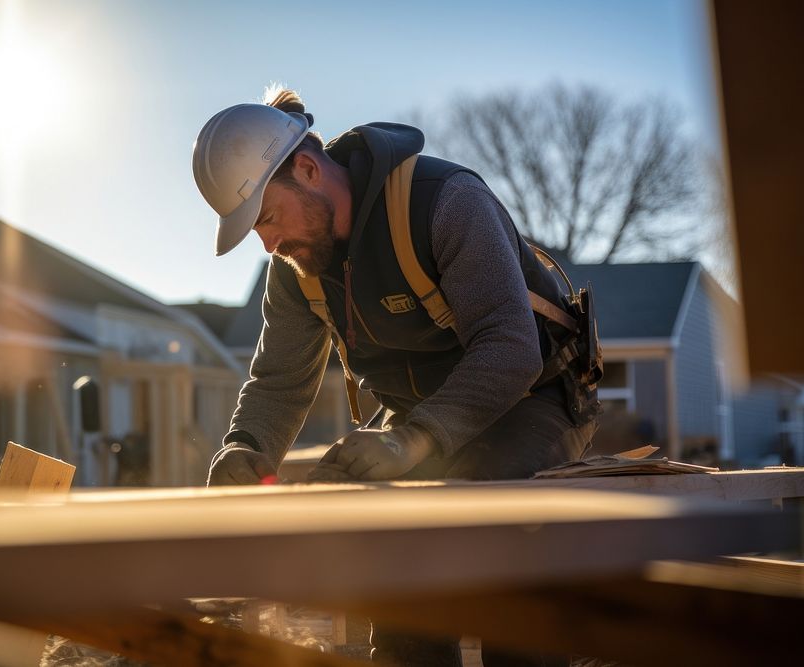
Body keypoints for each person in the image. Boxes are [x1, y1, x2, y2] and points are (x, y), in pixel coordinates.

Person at [191, 88, 600, 666]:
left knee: (493, 547)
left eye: (267, 218)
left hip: (533, 399)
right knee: (394, 576)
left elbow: (510, 348)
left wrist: (410, 441)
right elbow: (280, 382)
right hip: (417, 418)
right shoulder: (294, 271)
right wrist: (245, 446)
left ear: (307, 169)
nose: (268, 242)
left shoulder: (444, 202)